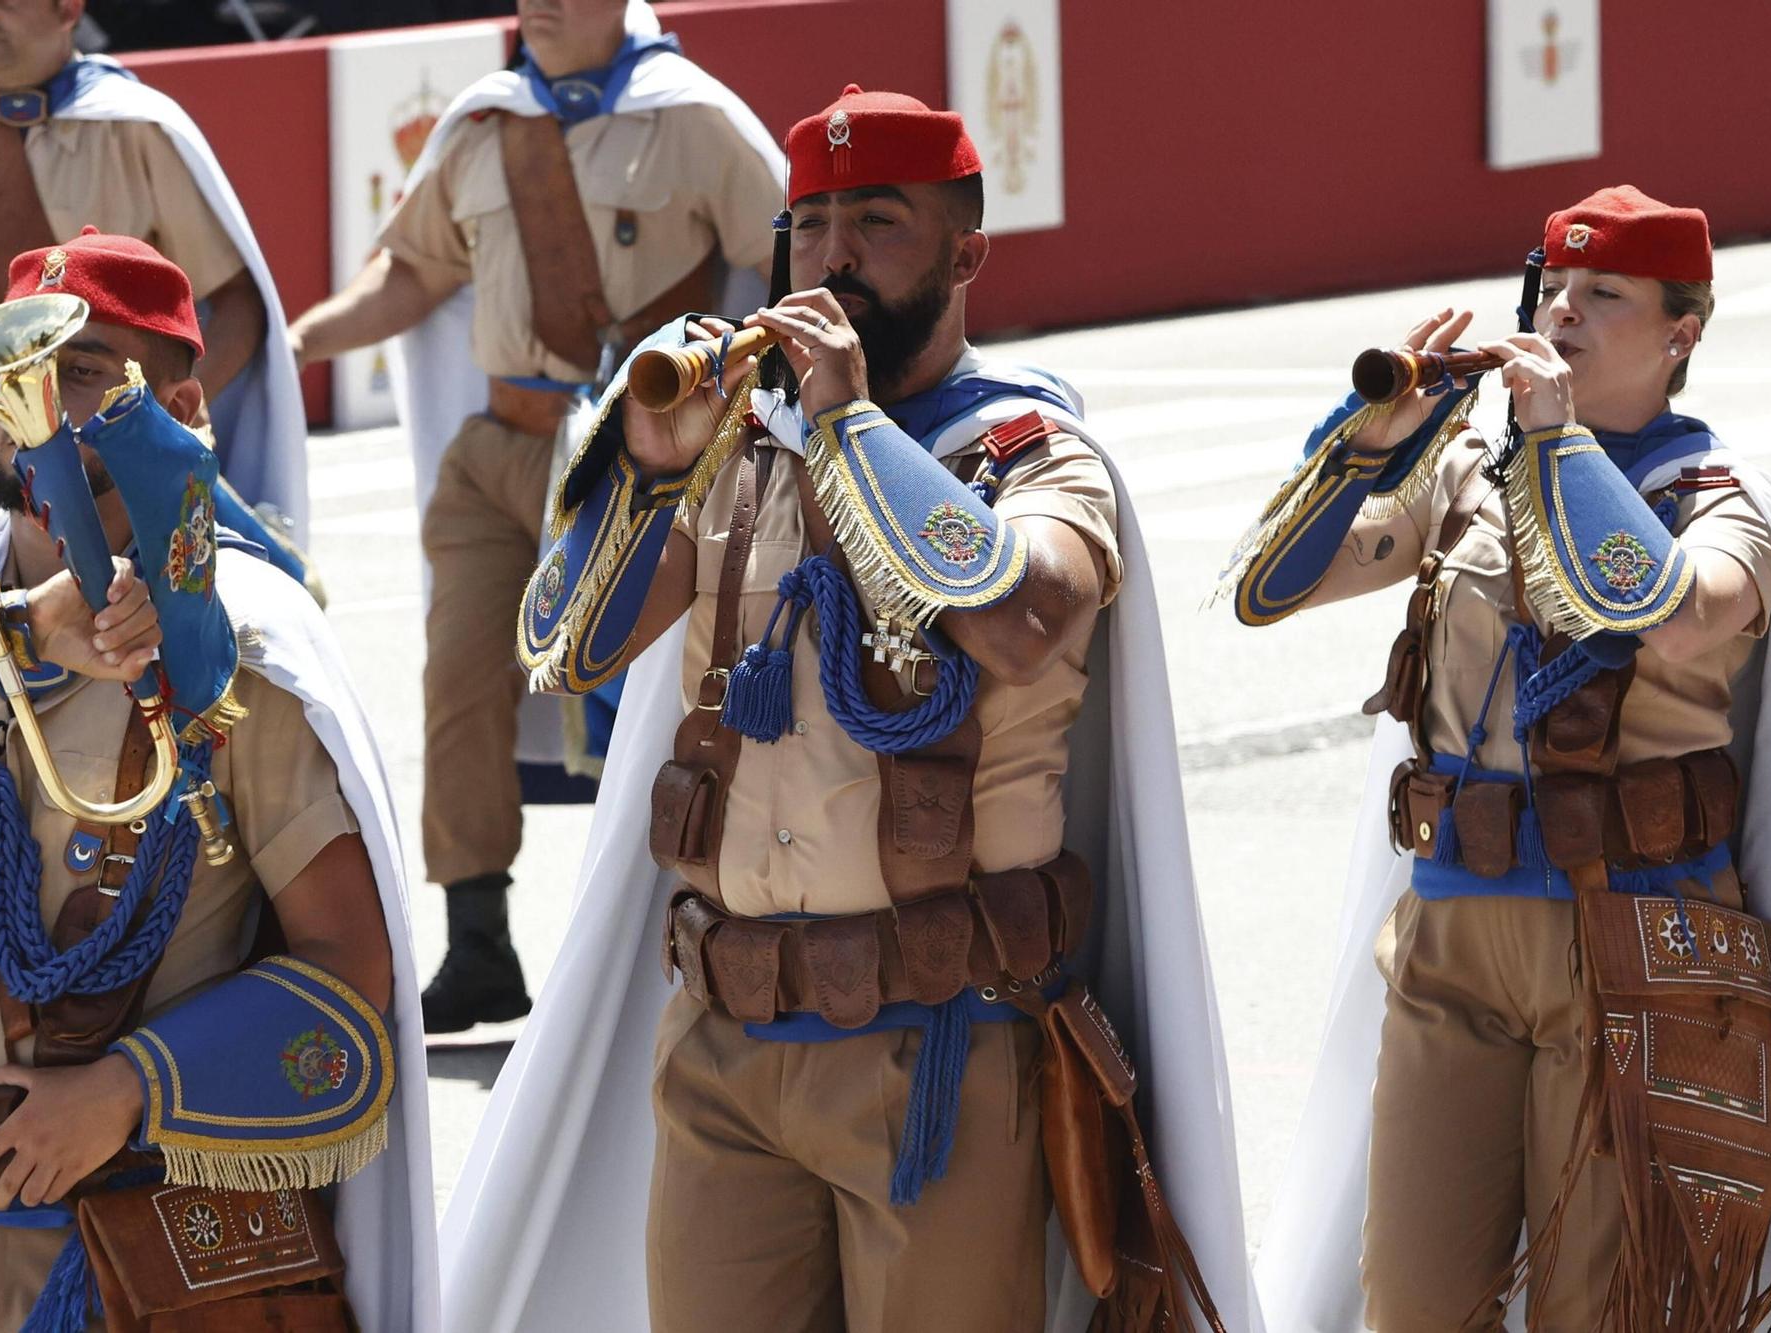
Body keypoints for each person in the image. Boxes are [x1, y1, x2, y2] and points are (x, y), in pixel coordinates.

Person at [436, 85, 1258, 1333]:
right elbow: (564, 649)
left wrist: (848, 423)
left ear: (965, 254)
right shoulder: (736, 452)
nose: (829, 255)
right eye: (809, 223)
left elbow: (1020, 617)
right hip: (725, 1041)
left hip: (934, 1043)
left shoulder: (1031, 451)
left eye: (876, 222)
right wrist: (651, 476)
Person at [1228, 186, 1771, 1330]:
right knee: (1409, 1297)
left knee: (1595, 1307)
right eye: (1552, 288)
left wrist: (1557, 441)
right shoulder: (1468, 483)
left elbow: (1670, 610)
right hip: (1454, 934)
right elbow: (1272, 586)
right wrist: (1370, 447)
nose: (1561, 313)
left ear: (1680, 332)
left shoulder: (1718, 502)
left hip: (1635, 949)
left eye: (1602, 296)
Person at [0, 229, 435, 1331]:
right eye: (30, 374)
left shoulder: (244, 638)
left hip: (131, 1238)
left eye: (90, 371)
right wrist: (17, 634)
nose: (49, 411)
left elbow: (350, 967)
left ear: (186, 401)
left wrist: (126, 1091)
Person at [288, 0, 784, 1034]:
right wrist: (302, 342)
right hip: (494, 450)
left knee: (640, 691)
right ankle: (477, 939)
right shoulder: (484, 120)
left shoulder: (691, 117)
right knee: (458, 681)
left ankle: (650, 928)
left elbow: (784, 263)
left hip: (635, 458)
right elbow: (413, 272)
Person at [0, 0, 311, 565]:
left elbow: (237, 305)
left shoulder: (134, 126)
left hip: (108, 491)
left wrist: (164, 419)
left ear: (67, 8)